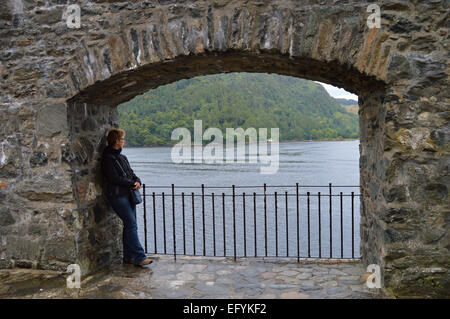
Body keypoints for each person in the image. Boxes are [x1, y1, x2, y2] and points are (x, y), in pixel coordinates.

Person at [101, 128, 152, 267]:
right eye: (122, 139)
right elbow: (113, 178)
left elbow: (131, 173)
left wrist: (137, 181)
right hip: (117, 196)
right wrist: (131, 183)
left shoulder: (122, 157)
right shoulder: (107, 158)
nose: (124, 141)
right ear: (116, 141)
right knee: (131, 225)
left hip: (127, 195)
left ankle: (128, 257)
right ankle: (139, 257)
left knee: (129, 226)